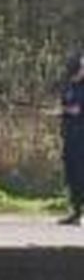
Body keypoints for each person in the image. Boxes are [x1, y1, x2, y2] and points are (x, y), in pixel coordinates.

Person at [60, 54, 84, 226]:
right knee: (72, 176)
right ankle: (75, 212)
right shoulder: (69, 87)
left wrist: (65, 110)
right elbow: (67, 107)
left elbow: (76, 110)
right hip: (70, 138)